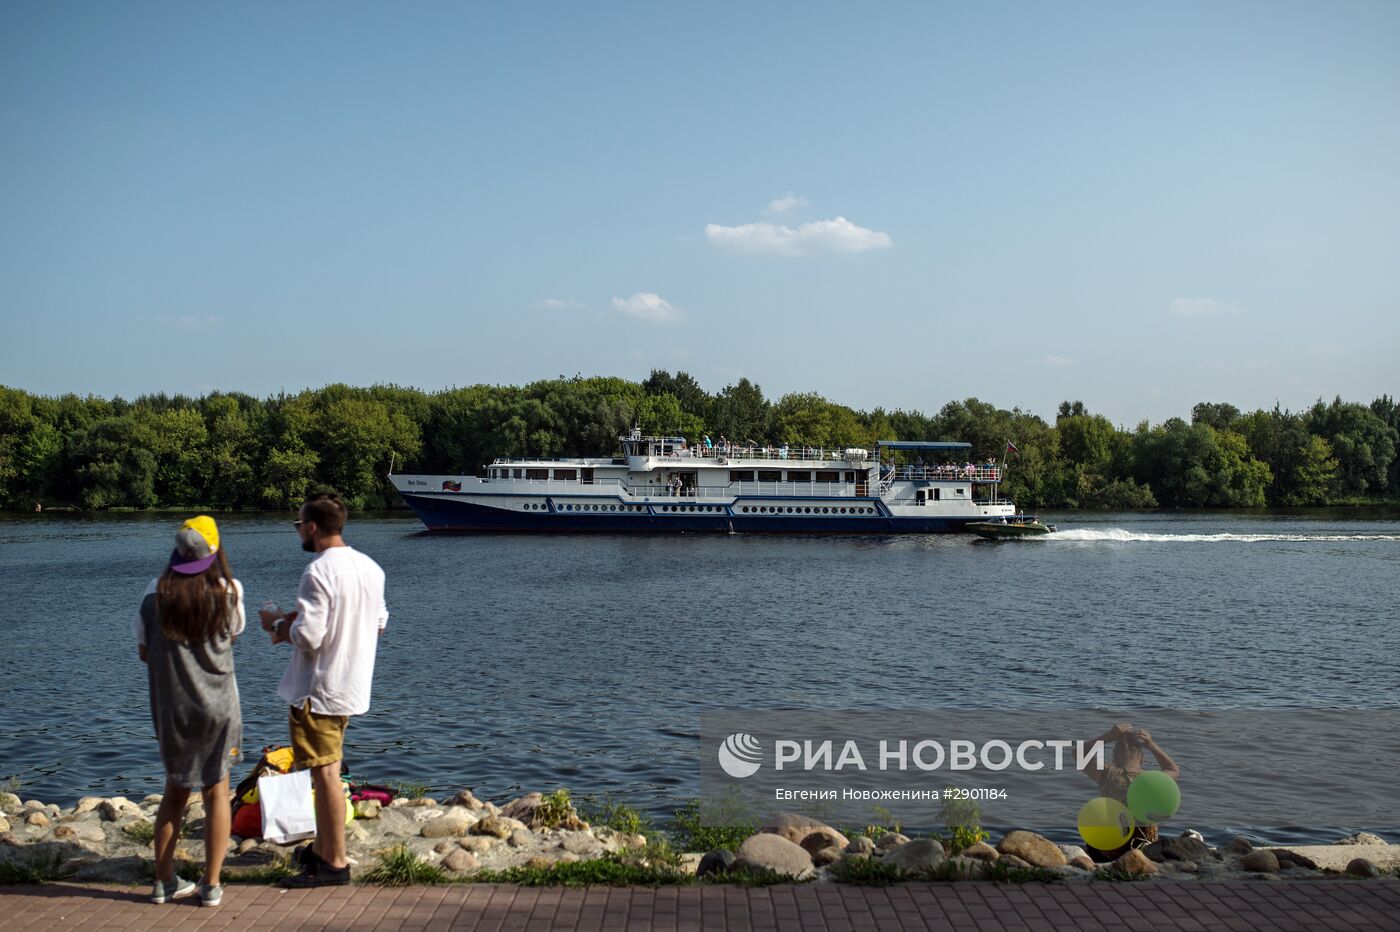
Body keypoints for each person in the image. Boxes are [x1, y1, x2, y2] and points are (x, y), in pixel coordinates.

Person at [260, 492, 388, 888]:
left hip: (319, 688)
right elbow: (378, 621)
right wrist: (300, 619)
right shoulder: (370, 567)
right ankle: (321, 850)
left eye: (299, 524)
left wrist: (278, 625)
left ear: (313, 527)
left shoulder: (317, 572)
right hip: (351, 684)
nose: (298, 531)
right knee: (326, 770)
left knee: (326, 774)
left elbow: (310, 637)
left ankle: (335, 862)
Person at [135, 515, 244, 908]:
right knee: (218, 793)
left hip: (172, 712)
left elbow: (144, 652)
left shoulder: (152, 597)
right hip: (219, 710)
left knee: (174, 793)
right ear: (214, 552)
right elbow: (233, 634)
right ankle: (211, 884)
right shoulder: (230, 592)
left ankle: (163, 881)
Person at [1082, 723, 1180, 860]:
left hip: (1111, 849)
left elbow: (1079, 753)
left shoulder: (1107, 774)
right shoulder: (1155, 780)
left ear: (1115, 756)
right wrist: (1152, 745)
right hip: (1145, 848)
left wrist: (1109, 736)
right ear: (1142, 758)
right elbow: (1173, 769)